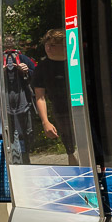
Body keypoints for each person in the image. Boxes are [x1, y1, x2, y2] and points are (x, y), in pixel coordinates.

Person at [32, 29, 78, 166]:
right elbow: (40, 97)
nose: (48, 48)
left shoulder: (76, 61)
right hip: (61, 112)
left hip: (83, 109)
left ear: (64, 46)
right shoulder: (42, 68)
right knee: (70, 149)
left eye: (52, 45)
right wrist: (45, 122)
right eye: (46, 45)